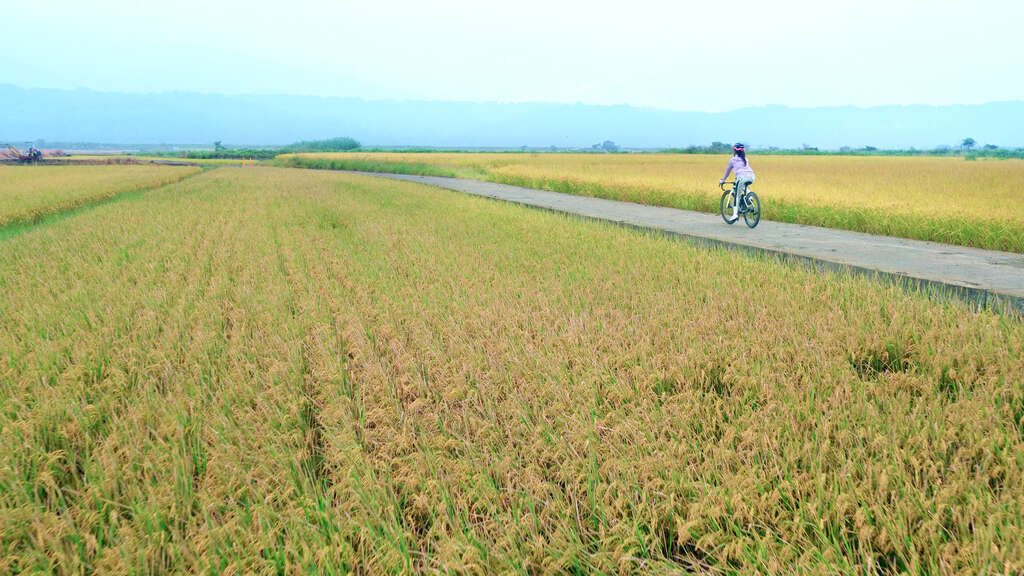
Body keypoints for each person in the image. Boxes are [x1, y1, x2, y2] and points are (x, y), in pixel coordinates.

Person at [719, 143, 755, 218]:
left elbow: (727, 171)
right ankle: (750, 197)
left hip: (741, 177)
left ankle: (735, 215)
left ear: (734, 151)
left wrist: (723, 180)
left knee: (737, 197)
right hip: (751, 176)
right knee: (743, 185)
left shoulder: (732, 160)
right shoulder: (746, 159)